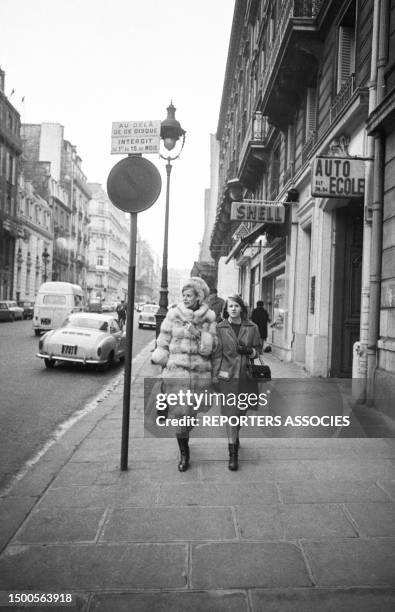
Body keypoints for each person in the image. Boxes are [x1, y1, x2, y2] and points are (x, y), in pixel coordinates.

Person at [151, 277, 217, 472]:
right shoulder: (173, 314)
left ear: (199, 296)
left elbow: (212, 346)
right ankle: (184, 453)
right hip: (176, 372)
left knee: (190, 416)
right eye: (184, 295)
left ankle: (185, 437)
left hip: (199, 375)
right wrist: (161, 362)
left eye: (190, 295)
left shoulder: (209, 317)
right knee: (181, 416)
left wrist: (198, 334)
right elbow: (162, 342)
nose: (186, 298)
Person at [212, 294, 262, 471]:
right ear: (226, 309)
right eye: (230, 306)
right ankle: (233, 454)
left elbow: (258, 348)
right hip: (227, 376)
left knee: (241, 412)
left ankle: (235, 435)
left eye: (236, 306)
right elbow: (217, 354)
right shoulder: (220, 327)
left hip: (246, 375)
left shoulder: (252, 327)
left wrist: (251, 352)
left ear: (242, 308)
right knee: (231, 414)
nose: (233, 309)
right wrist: (215, 375)